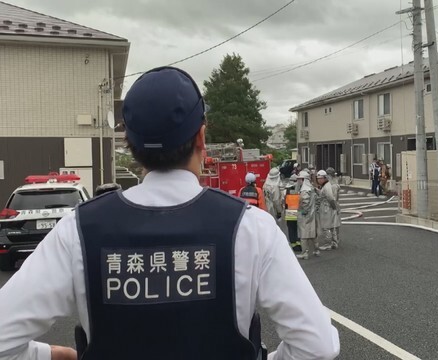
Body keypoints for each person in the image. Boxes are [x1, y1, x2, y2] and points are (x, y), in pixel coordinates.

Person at [0, 66, 339, 360]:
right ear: (201, 137)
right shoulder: (251, 227)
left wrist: (50, 354)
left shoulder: (79, 229)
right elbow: (318, 346)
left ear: (129, 144)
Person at [296, 170, 319, 260]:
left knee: (304, 235)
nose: (298, 181)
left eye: (300, 179)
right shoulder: (312, 188)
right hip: (313, 214)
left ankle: (304, 253)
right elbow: (317, 200)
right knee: (313, 232)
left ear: (303, 179)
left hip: (305, 215)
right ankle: (316, 250)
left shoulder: (304, 190)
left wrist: (302, 211)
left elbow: (305, 202)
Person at [316, 170, 338, 251]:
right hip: (327, 208)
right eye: (318, 178)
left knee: (326, 227)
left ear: (324, 178)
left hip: (326, 208)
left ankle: (328, 243)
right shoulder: (325, 185)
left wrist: (334, 207)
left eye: (320, 178)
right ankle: (334, 242)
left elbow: (330, 198)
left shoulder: (326, 186)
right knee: (331, 226)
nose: (318, 180)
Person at [283, 174, 301, 252]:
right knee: (297, 227)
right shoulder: (298, 188)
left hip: (289, 210)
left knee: (291, 228)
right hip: (297, 210)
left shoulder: (287, 189)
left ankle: (293, 244)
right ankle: (299, 243)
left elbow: (283, 200)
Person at [325, 167, 341, 249]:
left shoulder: (333, 185)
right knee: (335, 223)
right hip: (335, 205)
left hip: (333, 205)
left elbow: (333, 197)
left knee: (333, 223)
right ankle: (335, 240)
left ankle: (334, 242)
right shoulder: (334, 183)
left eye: (327, 174)